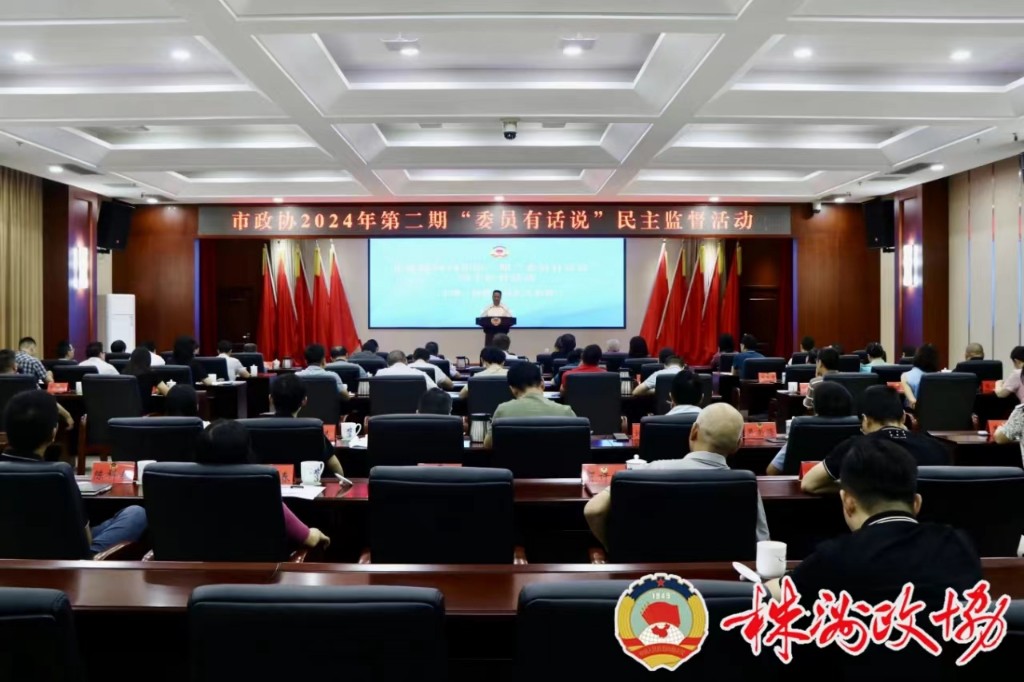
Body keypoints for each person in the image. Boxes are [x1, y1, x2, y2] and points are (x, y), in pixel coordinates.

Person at [765, 439, 982, 679]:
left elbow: (772, 595)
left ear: (848, 502)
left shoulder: (836, 557)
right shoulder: (958, 544)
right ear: (916, 503)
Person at [585, 403, 769, 548]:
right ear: (738, 446)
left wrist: (614, 550)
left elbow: (594, 510)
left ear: (694, 431)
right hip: (721, 582)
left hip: (648, 580)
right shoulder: (746, 484)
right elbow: (762, 544)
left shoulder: (648, 471)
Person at [1, 390, 147, 555]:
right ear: (53, 433)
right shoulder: (60, 475)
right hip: (67, 561)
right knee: (137, 514)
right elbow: (85, 540)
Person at [195, 420, 329, 550]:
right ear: (247, 452)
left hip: (196, 564)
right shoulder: (261, 490)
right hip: (259, 565)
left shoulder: (188, 489)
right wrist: (316, 533)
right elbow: (309, 539)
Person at [802, 385, 950, 493]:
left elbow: (809, 484)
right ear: (903, 417)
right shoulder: (938, 448)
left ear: (865, 420)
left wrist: (855, 487)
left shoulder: (855, 448)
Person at [767, 382, 854, 476]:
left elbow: (772, 471)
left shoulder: (802, 428)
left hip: (800, 484)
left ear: (815, 406)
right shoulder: (858, 428)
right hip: (846, 483)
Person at [484, 363, 576, 447]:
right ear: (542, 383)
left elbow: (488, 445)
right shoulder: (565, 411)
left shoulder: (503, 411)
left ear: (512, 389)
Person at [269, 373, 343, 475]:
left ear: (271, 399)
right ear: (304, 401)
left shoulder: (254, 429)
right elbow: (336, 468)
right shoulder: (313, 429)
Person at [1, 349, 74, 430]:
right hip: (22, 430)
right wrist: (67, 415)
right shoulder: (26, 381)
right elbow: (46, 399)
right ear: (15, 367)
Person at [900, 342, 939, 409]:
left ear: (917, 357)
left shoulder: (905, 376)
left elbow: (912, 402)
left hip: (915, 412)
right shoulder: (941, 377)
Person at [373, 350, 437, 389]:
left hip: (386, 408)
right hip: (414, 408)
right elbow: (435, 391)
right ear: (406, 361)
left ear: (387, 364)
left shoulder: (379, 374)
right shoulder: (420, 374)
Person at [804, 346, 840, 411]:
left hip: (821, 416)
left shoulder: (815, 382)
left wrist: (816, 377)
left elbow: (808, 405)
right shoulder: (846, 379)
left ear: (820, 363)